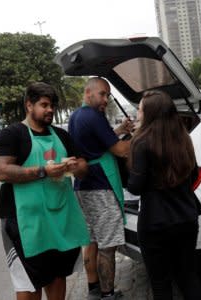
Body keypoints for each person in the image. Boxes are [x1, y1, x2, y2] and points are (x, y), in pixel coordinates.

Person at [0, 82, 90, 300]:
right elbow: (2, 171)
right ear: (29, 105)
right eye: (44, 105)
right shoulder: (11, 135)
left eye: (52, 105)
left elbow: (83, 166)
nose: (50, 110)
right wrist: (44, 171)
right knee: (29, 281)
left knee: (57, 276)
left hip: (59, 219)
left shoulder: (61, 136)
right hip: (23, 222)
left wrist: (77, 167)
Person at [127, 90, 201, 300]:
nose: (138, 114)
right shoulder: (184, 139)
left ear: (150, 113)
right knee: (188, 277)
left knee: (161, 283)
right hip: (187, 218)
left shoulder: (140, 142)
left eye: (140, 110)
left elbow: (135, 186)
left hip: (154, 223)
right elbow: (194, 173)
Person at [68, 77, 133, 300]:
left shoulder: (77, 115)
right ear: (88, 93)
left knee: (92, 240)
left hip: (82, 187)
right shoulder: (94, 116)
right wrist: (143, 134)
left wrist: (118, 129)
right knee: (108, 245)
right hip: (100, 188)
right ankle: (108, 294)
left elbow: (97, 142)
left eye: (107, 95)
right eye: (102, 94)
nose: (106, 99)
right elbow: (121, 150)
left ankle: (94, 288)